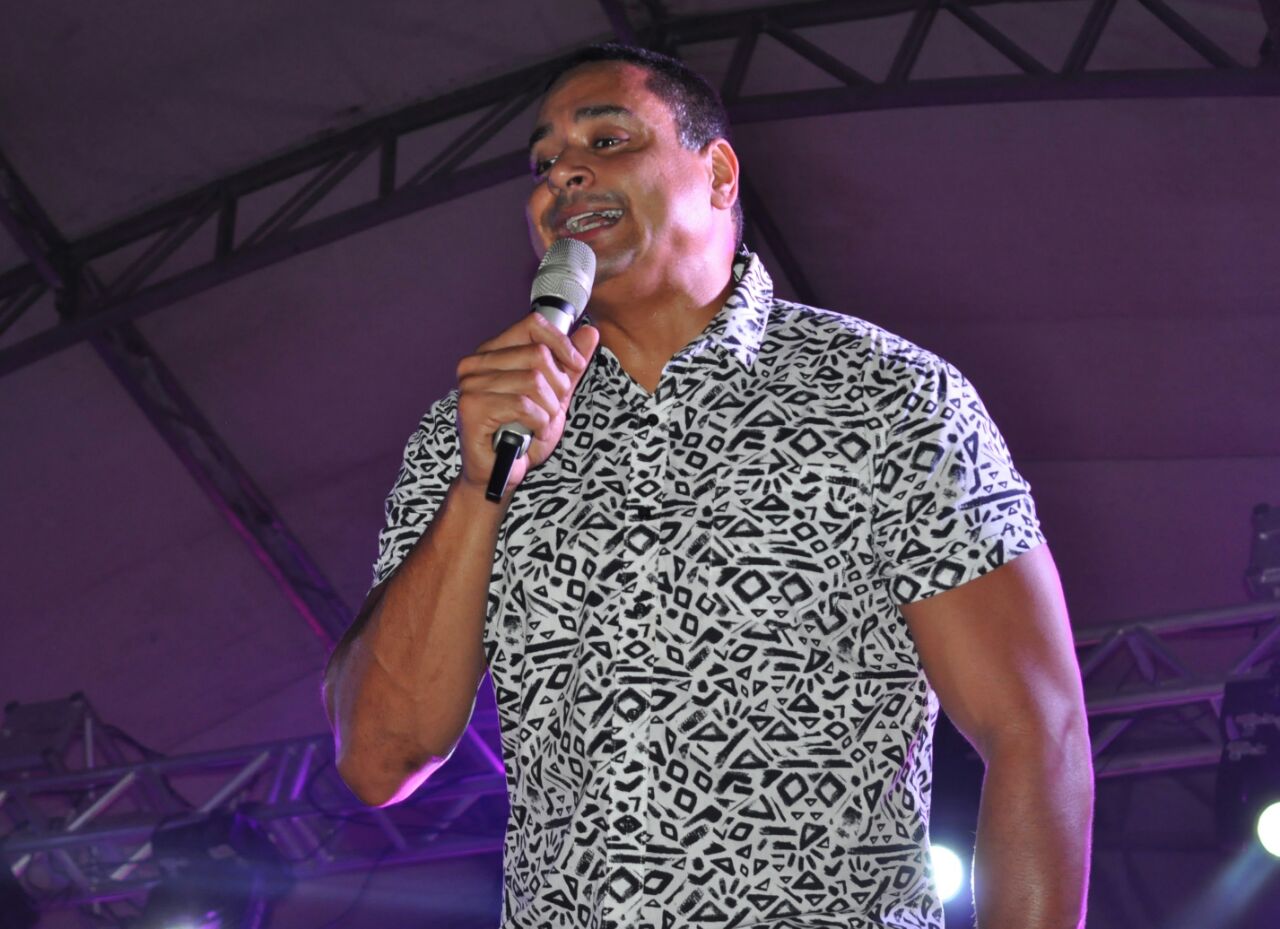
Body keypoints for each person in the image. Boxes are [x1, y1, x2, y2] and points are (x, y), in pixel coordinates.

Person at [324, 44, 1093, 929]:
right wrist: (476, 486)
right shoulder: (466, 429)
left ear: (719, 174)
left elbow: (1036, 731)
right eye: (542, 164)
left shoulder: (885, 396)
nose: (562, 173)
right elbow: (377, 758)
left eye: (607, 140)